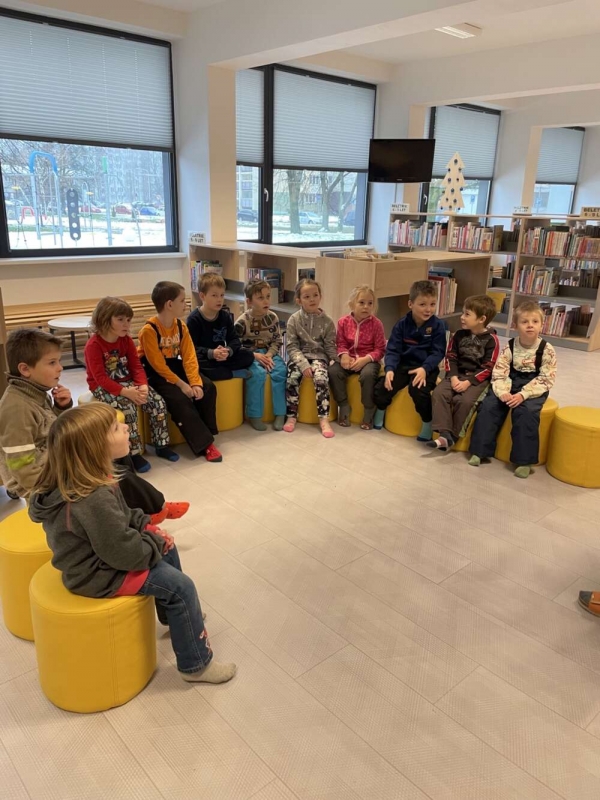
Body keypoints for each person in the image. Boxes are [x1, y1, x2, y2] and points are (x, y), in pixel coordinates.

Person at [28, 404, 236, 685]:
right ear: (94, 447)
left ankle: (172, 615)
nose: (126, 427)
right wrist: (154, 541)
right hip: (97, 574)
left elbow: (124, 515)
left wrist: (148, 528)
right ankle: (196, 665)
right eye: (116, 428)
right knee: (181, 587)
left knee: (167, 548)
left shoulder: (93, 478)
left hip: (105, 557)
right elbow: (123, 553)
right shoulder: (92, 498)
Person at [0, 328, 187, 525]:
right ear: (25, 369)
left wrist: (61, 407)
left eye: (59, 361)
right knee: (109, 472)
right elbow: (22, 468)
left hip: (58, 464)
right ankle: (152, 510)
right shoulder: (16, 408)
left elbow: (48, 429)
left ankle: (140, 510)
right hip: (47, 483)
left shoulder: (34, 393)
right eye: (52, 362)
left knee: (116, 453)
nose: (60, 368)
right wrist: (61, 486)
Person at [85, 296, 179, 473]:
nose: (126, 324)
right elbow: (100, 378)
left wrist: (142, 385)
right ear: (104, 319)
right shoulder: (94, 345)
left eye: (128, 320)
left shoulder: (126, 340)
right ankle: (133, 453)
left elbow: (136, 366)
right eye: (120, 320)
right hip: (103, 387)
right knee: (129, 408)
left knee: (158, 402)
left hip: (127, 382)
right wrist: (125, 392)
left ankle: (161, 444)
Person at [469, 300, 557, 478]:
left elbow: (546, 378)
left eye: (535, 322)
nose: (530, 325)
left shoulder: (547, 350)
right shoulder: (509, 346)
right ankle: (480, 450)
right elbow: (500, 372)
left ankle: (524, 461)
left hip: (534, 385)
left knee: (526, 413)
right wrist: (503, 392)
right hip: (510, 381)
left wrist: (523, 395)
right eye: (524, 322)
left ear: (541, 325)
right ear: (515, 326)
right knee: (489, 406)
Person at [138, 281, 222, 463]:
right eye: (182, 301)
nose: (186, 304)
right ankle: (205, 445)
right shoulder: (149, 330)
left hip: (173, 366)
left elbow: (189, 357)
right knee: (179, 399)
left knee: (208, 387)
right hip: (155, 373)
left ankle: (207, 433)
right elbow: (158, 366)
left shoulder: (181, 326)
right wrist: (183, 385)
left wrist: (195, 383)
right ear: (169, 304)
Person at [373, 280, 446, 441]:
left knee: (418, 391)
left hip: (425, 368)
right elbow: (393, 349)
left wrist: (425, 368)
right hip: (403, 365)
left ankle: (427, 422)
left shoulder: (438, 326)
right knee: (384, 386)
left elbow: (438, 352)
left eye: (432, 304)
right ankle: (381, 410)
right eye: (422, 304)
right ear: (410, 304)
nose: (428, 309)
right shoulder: (402, 324)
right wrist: (390, 369)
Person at [427, 294, 500, 451]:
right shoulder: (459, 335)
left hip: (476, 379)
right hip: (456, 374)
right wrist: (453, 377)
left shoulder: (492, 340)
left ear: (481, 319)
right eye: (463, 313)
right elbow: (451, 357)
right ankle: (444, 434)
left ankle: (453, 436)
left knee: (464, 401)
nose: (462, 317)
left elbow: (488, 367)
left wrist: (468, 382)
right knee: (439, 393)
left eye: (467, 314)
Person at [283, 278, 338, 439]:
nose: (312, 299)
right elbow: (291, 346)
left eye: (315, 295)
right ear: (299, 300)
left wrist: (338, 359)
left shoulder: (328, 322)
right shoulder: (294, 320)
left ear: (320, 296)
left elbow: (330, 346)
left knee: (321, 379)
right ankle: (291, 415)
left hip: (319, 357)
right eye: (307, 297)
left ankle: (323, 418)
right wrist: (303, 365)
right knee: (292, 378)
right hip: (299, 357)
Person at [328, 285, 385, 430]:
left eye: (370, 303)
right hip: (349, 359)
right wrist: (344, 355)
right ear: (352, 304)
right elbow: (340, 343)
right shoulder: (343, 322)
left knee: (368, 375)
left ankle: (368, 409)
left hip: (369, 360)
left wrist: (366, 359)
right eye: (361, 302)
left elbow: (380, 349)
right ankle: (343, 405)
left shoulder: (377, 324)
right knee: (333, 371)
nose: (366, 306)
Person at [234, 279, 286, 431]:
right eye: (261, 298)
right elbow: (236, 345)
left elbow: (277, 341)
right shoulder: (242, 321)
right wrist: (255, 355)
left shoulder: (273, 318)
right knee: (257, 374)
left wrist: (269, 355)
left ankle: (280, 413)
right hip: (251, 355)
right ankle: (254, 415)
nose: (266, 301)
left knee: (281, 371)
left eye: (268, 296)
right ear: (249, 302)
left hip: (270, 353)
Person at [187, 273, 254, 381]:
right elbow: (190, 348)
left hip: (222, 357)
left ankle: (221, 371)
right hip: (206, 358)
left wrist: (227, 351)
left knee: (248, 355)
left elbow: (234, 340)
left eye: (222, 295)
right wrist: (211, 353)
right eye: (214, 295)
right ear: (202, 296)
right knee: (195, 365)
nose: (219, 299)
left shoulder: (225, 316)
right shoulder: (194, 319)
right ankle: (231, 373)